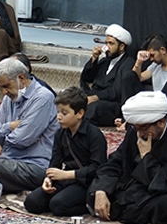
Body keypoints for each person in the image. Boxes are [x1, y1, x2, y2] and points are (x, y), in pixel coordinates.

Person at [89, 91, 167, 224]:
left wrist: (147, 157)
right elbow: (117, 160)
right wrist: (101, 190)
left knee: (165, 206)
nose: (140, 134)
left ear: (161, 122)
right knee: (96, 191)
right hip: (140, 186)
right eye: (136, 128)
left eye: (144, 128)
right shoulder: (138, 131)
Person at [0, 57, 59, 194]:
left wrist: (2, 139)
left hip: (34, 165)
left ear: (21, 78)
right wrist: (11, 126)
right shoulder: (9, 98)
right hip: (9, 157)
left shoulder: (43, 97)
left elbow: (22, 140)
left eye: (6, 86)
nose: (4, 92)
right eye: (1, 88)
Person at [24, 87, 107, 216]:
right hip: (65, 179)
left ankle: (87, 205)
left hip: (85, 182)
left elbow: (98, 168)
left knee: (58, 205)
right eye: (58, 112)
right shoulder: (60, 133)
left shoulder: (94, 135)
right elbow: (55, 162)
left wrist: (67, 175)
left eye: (64, 113)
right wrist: (48, 179)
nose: (59, 117)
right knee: (31, 202)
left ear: (80, 113)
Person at [79, 24, 139, 126]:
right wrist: (94, 59)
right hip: (92, 95)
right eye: (106, 43)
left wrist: (95, 97)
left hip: (111, 103)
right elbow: (87, 78)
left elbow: (116, 91)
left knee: (94, 108)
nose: (107, 47)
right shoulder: (105, 60)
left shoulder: (128, 63)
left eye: (111, 44)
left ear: (121, 47)